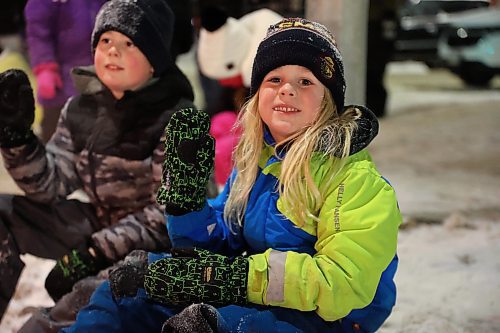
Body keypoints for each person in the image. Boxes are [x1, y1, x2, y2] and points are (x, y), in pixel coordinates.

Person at [64, 18, 402, 333]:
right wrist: (187, 204)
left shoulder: (355, 180)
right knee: (127, 288)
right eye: (274, 79)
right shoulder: (259, 161)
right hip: (262, 299)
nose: (287, 90)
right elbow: (221, 239)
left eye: (305, 81)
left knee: (205, 325)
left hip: (332, 320)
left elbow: (342, 285)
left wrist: (232, 279)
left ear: (329, 101)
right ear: (257, 96)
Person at [0, 0, 198, 327]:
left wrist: (92, 255)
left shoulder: (180, 120)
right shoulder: (82, 108)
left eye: (129, 43)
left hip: (153, 253)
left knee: (72, 306)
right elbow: (51, 184)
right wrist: (18, 141)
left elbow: (169, 218)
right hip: (98, 224)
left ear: (155, 61)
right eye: (105, 41)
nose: (112, 52)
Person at [23, 0, 108, 143]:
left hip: (97, 72)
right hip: (60, 79)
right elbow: (38, 33)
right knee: (55, 131)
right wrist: (45, 67)